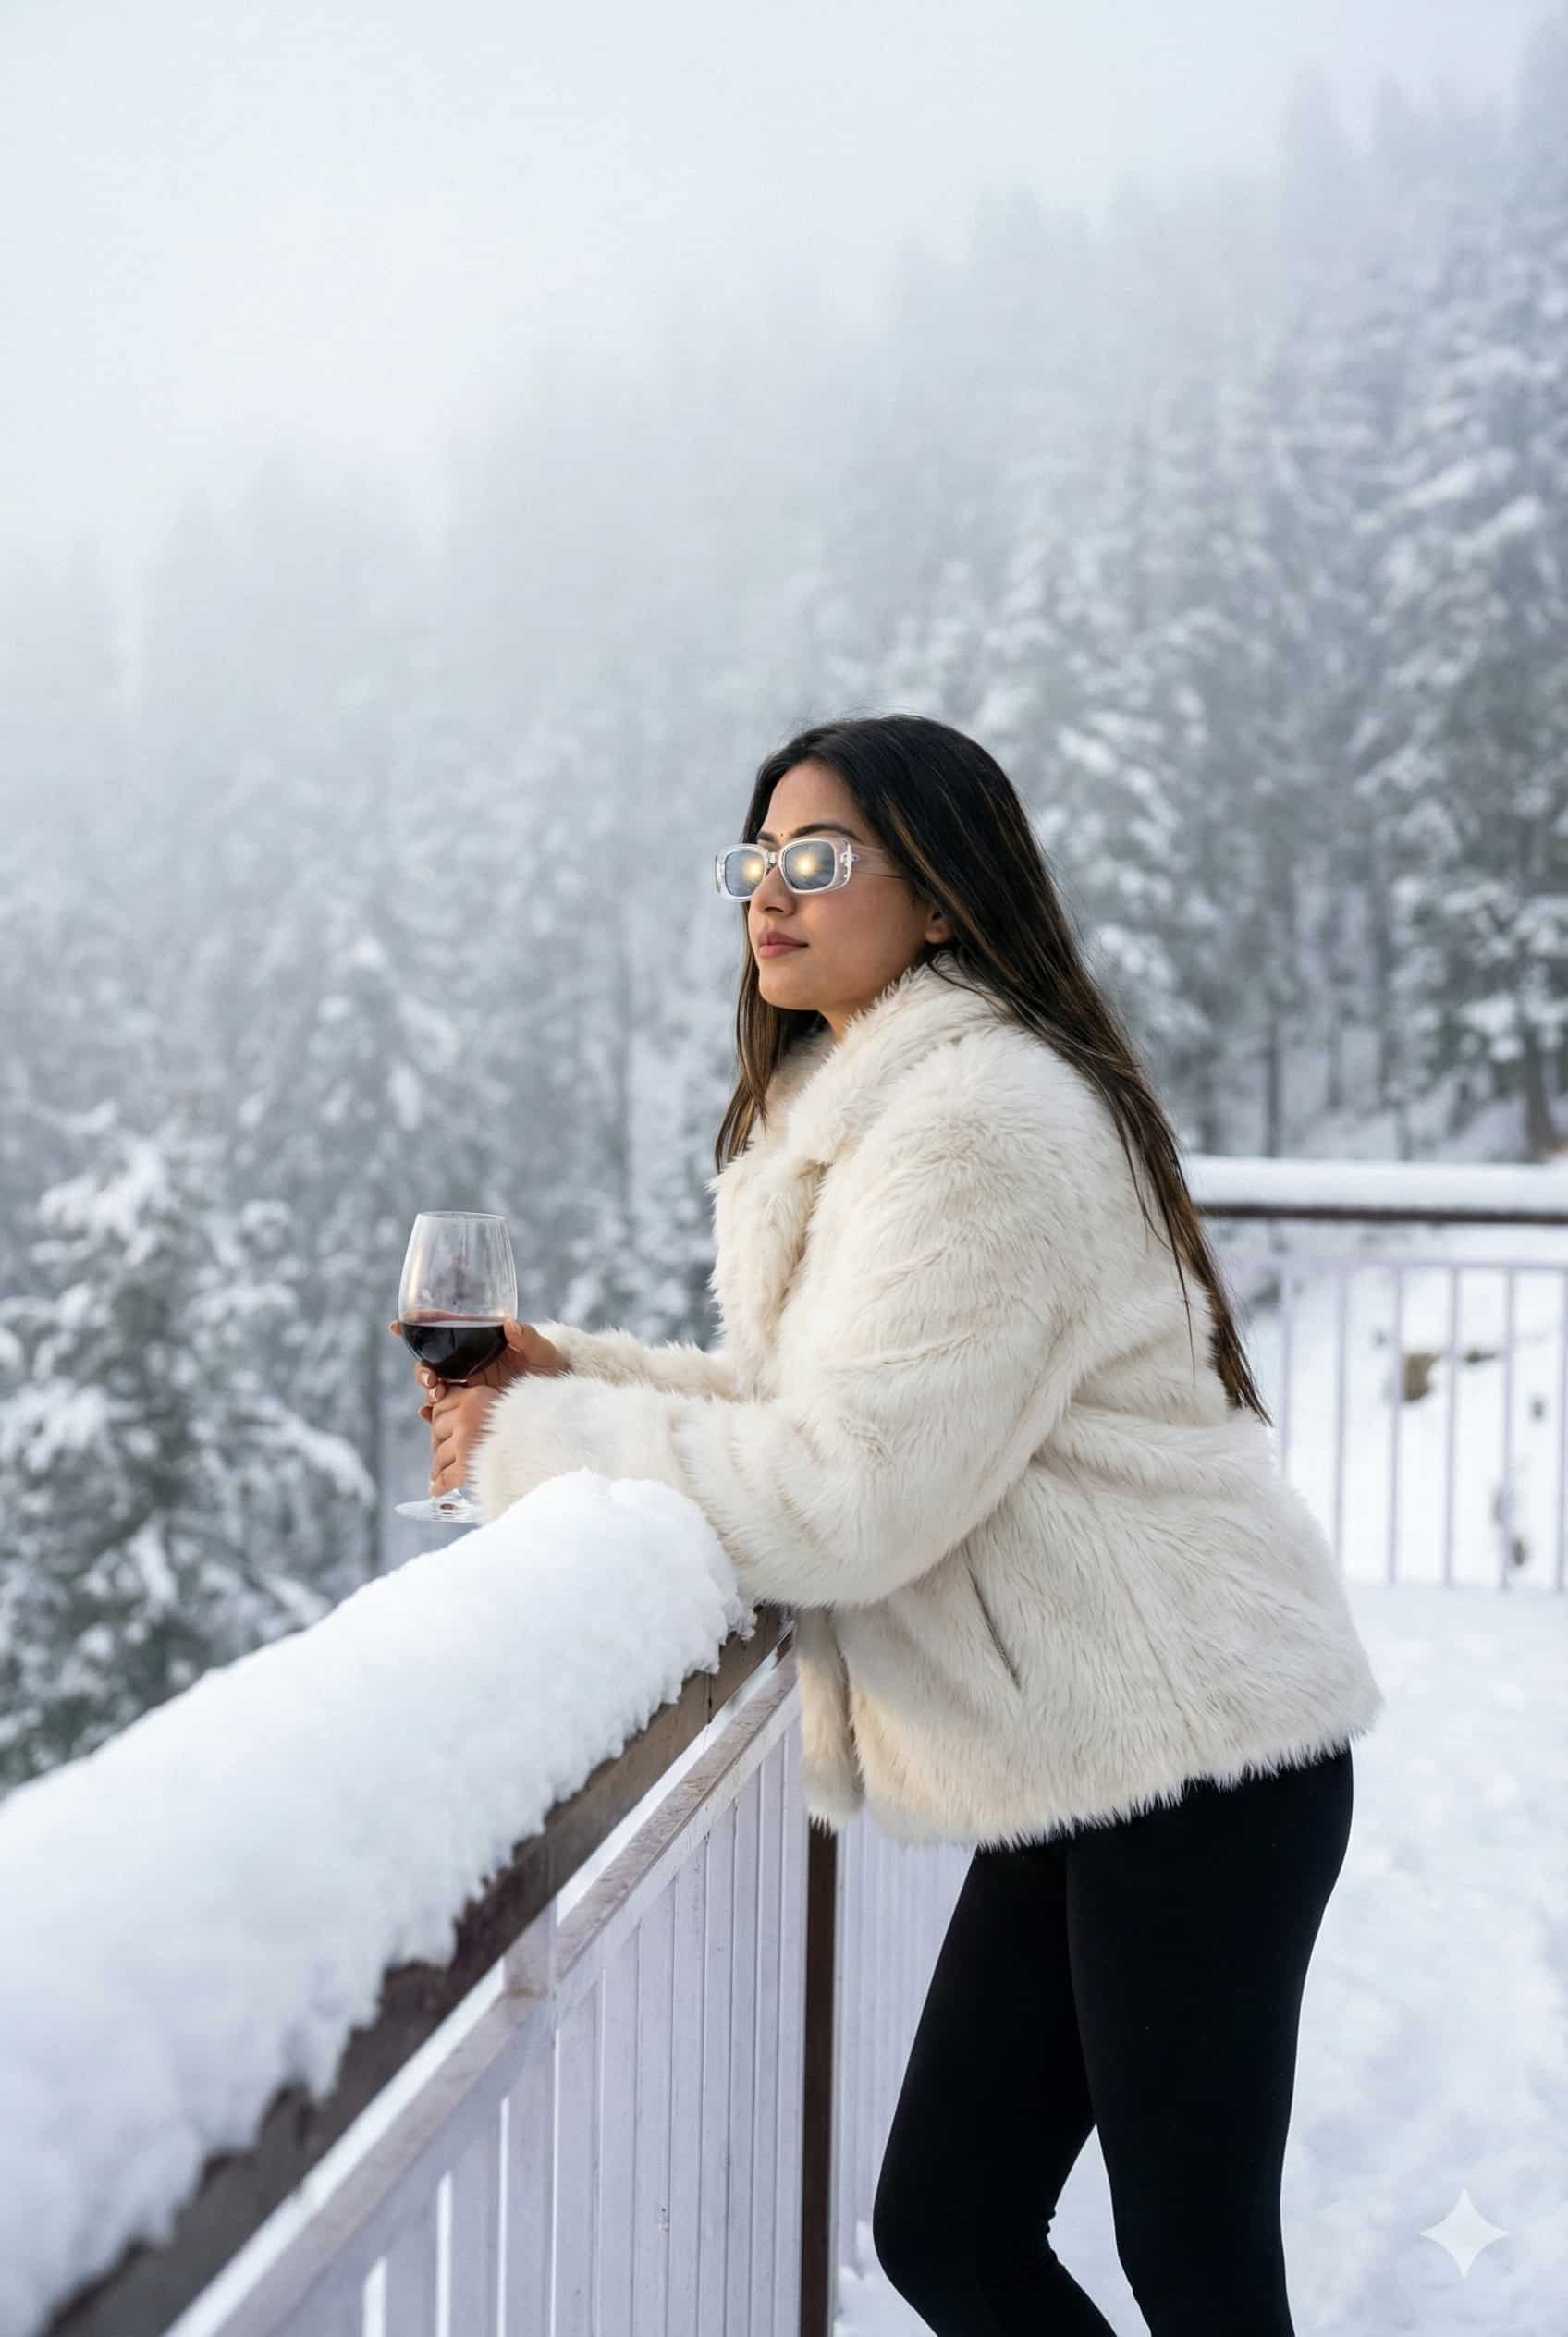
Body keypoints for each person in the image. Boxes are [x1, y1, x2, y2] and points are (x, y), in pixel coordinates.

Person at [391, 713, 1384, 2334]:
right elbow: (821, 1400)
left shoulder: (978, 1125)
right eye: (756, 861)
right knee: (950, 2228)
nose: (768, 896)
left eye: (818, 859)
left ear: (939, 896)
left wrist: (538, 1435)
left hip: (1204, 1762)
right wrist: (571, 1375)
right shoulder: (886, 1109)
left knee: (1195, 2273)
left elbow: (846, 1499)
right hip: (1096, 1756)